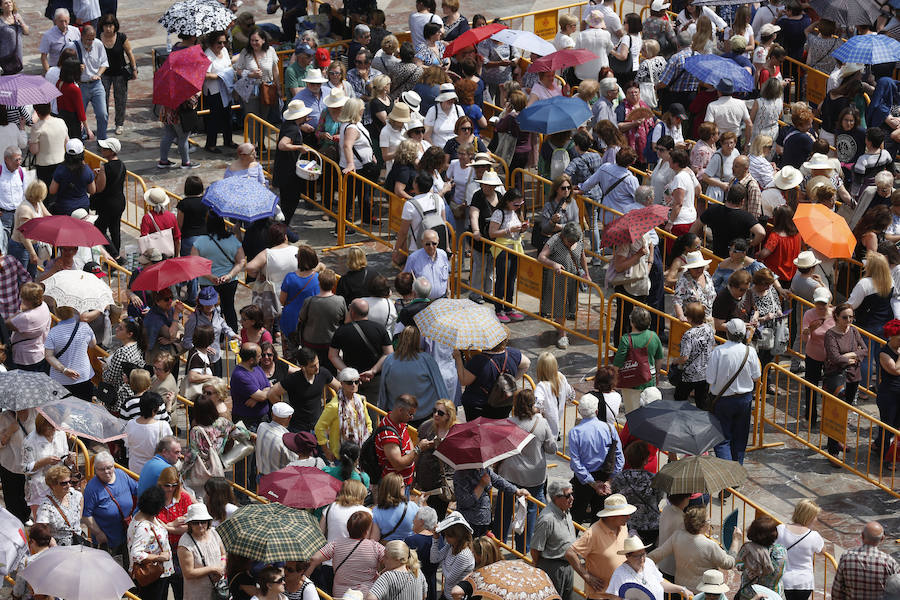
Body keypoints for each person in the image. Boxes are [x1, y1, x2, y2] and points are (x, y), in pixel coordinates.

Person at [495, 389, 556, 552]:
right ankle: (523, 548)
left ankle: (498, 542)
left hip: (510, 473)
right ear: (532, 403)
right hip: (534, 475)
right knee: (530, 510)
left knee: (504, 508)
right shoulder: (541, 422)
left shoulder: (508, 423)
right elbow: (551, 448)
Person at [707, 318, 762, 464]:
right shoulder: (749, 352)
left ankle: (727, 476)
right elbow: (757, 377)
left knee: (722, 439)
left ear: (727, 333)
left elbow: (710, 379)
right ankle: (736, 471)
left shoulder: (718, 352)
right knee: (740, 438)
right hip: (743, 399)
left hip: (722, 400)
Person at [647, 505, 740, 591]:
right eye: (708, 520)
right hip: (702, 592)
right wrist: (735, 541)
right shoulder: (709, 545)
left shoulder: (677, 535)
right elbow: (729, 563)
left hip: (682, 590)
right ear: (702, 525)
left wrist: (639, 561)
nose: (710, 523)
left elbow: (657, 554)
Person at [567, 394, 624, 524]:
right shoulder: (609, 428)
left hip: (583, 480)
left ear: (580, 412)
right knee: (601, 521)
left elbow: (576, 463)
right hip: (605, 477)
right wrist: (609, 481)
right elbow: (620, 458)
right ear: (597, 411)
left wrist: (592, 483)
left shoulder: (575, 432)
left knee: (575, 519)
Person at [564, 494, 633, 599]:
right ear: (612, 516)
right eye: (625, 514)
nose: (629, 517)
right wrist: (586, 576)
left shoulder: (623, 526)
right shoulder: (593, 533)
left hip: (620, 593)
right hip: (600, 596)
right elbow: (570, 553)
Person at [454, 329, 529, 421]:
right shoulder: (513, 354)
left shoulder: (478, 361)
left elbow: (463, 380)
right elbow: (526, 363)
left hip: (479, 408)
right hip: (504, 404)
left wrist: (458, 358)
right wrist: (512, 379)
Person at [306, 511, 385, 598]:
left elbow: (314, 559)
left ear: (348, 528)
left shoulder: (335, 544)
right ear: (366, 531)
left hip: (342, 595)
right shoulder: (376, 547)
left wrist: (304, 579)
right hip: (366, 595)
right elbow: (392, 560)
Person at [191, 214, 245, 331]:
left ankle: (214, 336)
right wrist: (229, 275)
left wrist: (210, 277)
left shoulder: (199, 242)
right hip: (229, 281)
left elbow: (194, 263)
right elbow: (241, 261)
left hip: (207, 281)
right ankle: (232, 337)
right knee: (229, 307)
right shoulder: (232, 240)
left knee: (210, 309)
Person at [268, 347, 339, 433]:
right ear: (303, 367)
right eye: (312, 366)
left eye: (317, 363)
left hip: (318, 426)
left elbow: (339, 387)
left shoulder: (323, 373)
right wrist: (284, 411)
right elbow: (272, 394)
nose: (317, 368)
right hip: (298, 428)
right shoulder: (293, 379)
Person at [82, 451, 137, 557]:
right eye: (101, 469)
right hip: (108, 539)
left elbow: (137, 490)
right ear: (96, 470)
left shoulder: (121, 474)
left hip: (127, 533)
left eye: (109, 467)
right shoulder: (92, 488)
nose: (106, 472)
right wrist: (98, 533)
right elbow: (86, 515)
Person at [692, 184, 765, 260]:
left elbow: (695, 227)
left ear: (727, 196)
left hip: (717, 258)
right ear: (743, 201)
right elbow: (761, 232)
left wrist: (694, 246)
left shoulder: (713, 210)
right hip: (737, 261)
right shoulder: (746, 216)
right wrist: (751, 244)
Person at [613, 307, 664, 413]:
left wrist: (613, 378)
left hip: (630, 381)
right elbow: (659, 359)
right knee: (649, 412)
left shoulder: (626, 339)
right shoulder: (653, 336)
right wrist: (657, 374)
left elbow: (617, 363)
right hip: (649, 378)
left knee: (632, 412)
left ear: (632, 323)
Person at [315, 367, 373, 461]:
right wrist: (327, 451)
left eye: (356, 382)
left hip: (360, 454)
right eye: (349, 382)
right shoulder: (334, 406)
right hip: (340, 456)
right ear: (341, 383)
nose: (353, 385)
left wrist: (366, 436)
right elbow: (319, 428)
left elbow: (368, 422)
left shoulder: (360, 400)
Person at [606, 535, 689, 600]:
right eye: (637, 556)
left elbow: (661, 583)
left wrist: (682, 589)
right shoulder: (619, 574)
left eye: (643, 554)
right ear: (627, 556)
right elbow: (614, 597)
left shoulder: (649, 563)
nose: (642, 559)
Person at [831, 521, 899, 600]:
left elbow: (836, 592)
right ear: (882, 538)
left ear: (862, 536)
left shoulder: (846, 557)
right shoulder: (889, 562)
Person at [128, 486, 175, 600]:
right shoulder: (143, 527)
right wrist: (159, 558)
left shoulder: (144, 516)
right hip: (153, 576)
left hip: (159, 573)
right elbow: (136, 554)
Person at [44, 304, 98, 400]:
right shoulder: (84, 326)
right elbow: (93, 345)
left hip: (60, 378)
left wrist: (64, 370)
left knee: (62, 410)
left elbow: (48, 356)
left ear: (56, 313)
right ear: (73, 310)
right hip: (83, 375)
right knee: (84, 408)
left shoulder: (53, 332)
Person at [775, 500, 825, 600]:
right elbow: (822, 551)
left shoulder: (780, 529)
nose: (816, 519)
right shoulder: (814, 536)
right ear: (809, 517)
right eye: (815, 516)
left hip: (784, 580)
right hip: (804, 582)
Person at [279, 245, 320, 359]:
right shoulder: (318, 278)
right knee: (309, 356)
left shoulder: (290, 278)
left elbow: (282, 300)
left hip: (290, 321)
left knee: (289, 355)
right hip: (309, 322)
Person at [734, 516, 787, 600]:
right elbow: (779, 573)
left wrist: (749, 569)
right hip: (772, 595)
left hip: (749, 595)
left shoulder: (747, 549)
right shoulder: (780, 551)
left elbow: (738, 565)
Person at [202, 31, 236, 154]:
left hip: (226, 88)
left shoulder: (225, 51)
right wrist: (219, 76)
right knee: (214, 119)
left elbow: (229, 65)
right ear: (212, 43)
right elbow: (204, 75)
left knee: (228, 115)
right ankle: (210, 144)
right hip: (214, 91)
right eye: (219, 43)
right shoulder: (207, 56)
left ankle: (228, 140)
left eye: (224, 42)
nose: (222, 45)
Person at [6, 281, 51, 371]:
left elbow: (7, 323)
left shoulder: (26, 317)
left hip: (23, 359)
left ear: (27, 300)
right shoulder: (44, 306)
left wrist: (20, 311)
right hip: (39, 354)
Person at [125, 394, 174, 474]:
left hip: (134, 470)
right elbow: (170, 448)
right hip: (156, 471)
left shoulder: (130, 424)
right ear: (154, 410)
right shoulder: (163, 426)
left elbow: (127, 444)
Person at [34, 464, 82, 545]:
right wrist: (53, 544)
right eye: (63, 483)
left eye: (70, 482)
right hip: (59, 550)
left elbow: (78, 519)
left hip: (78, 543)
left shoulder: (76, 495)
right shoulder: (46, 506)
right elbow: (41, 531)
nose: (68, 485)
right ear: (52, 485)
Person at [430, 512, 475, 600]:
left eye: (449, 536)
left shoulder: (464, 556)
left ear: (458, 536)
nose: (446, 538)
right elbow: (434, 559)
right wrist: (435, 539)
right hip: (447, 594)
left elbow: (449, 578)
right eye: (445, 534)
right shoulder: (450, 546)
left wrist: (443, 562)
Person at [533, 352, 575, 440]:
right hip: (556, 426)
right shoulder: (561, 377)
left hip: (545, 431)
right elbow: (571, 396)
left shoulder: (541, 386)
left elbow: (536, 407)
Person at [372, 473, 419, 541]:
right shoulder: (413, 507)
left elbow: (375, 539)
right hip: (409, 547)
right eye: (403, 486)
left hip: (389, 548)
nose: (405, 488)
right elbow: (421, 527)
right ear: (397, 490)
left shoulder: (376, 511)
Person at [255, 402, 297, 476]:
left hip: (262, 476)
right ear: (290, 417)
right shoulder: (286, 440)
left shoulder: (261, 426)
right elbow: (295, 461)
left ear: (272, 414)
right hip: (278, 480)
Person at [673, 251, 716, 321]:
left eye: (701, 267)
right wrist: (681, 316)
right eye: (695, 268)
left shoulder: (707, 275)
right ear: (689, 268)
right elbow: (677, 301)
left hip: (709, 319)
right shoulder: (683, 280)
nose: (699, 270)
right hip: (692, 322)